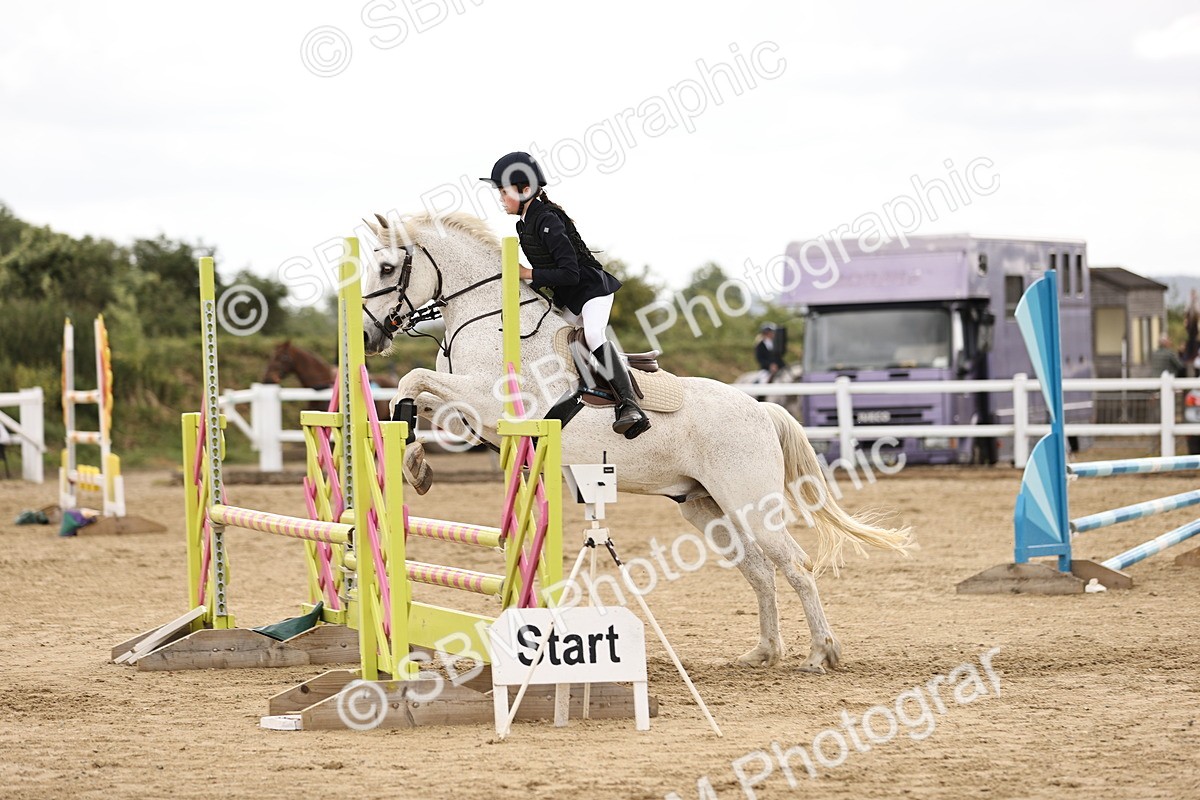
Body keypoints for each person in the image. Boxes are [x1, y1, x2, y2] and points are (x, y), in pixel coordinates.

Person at [480, 151, 649, 437]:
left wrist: (526, 274)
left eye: (503, 191)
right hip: (569, 297)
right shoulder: (524, 224)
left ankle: (630, 405)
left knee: (593, 336)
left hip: (592, 291)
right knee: (553, 337)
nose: (500, 198)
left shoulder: (548, 220)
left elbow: (569, 273)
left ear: (525, 190)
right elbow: (545, 272)